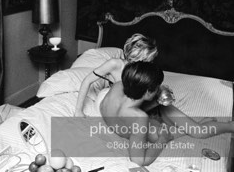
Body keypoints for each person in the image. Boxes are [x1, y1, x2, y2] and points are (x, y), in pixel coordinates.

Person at [101, 61, 234, 166]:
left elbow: (125, 110)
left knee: (189, 131)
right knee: (196, 131)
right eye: (157, 86)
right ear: (148, 92)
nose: (159, 88)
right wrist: (163, 140)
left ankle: (227, 126)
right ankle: (226, 126)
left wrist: (155, 102)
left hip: (133, 113)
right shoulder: (139, 118)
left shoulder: (119, 85)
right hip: (137, 117)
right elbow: (139, 161)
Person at [75, 33, 158, 117]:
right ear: (138, 57)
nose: (151, 64)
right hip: (108, 99)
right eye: (149, 60)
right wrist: (78, 111)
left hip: (126, 103)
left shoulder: (144, 71)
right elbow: (87, 80)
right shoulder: (115, 64)